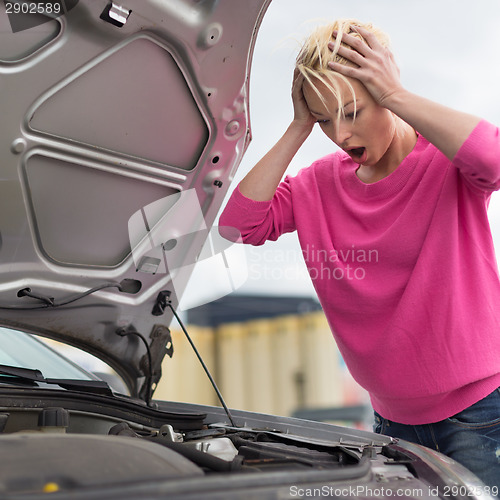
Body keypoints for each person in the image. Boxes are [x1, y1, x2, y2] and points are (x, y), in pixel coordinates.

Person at [218, 18, 500, 488]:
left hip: (482, 415)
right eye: (326, 120)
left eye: (352, 112)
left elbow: (493, 160)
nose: (341, 135)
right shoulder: (317, 186)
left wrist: (396, 95)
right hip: (392, 423)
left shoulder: (444, 164)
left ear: (384, 93)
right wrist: (297, 128)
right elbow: (237, 225)